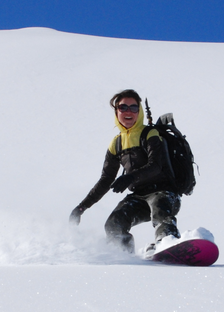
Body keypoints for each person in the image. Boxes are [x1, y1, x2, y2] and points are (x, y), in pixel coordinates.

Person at [69, 89, 181, 254]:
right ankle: (123, 257)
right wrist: (81, 208)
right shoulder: (117, 144)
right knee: (114, 223)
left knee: (160, 212)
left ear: (139, 111)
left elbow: (156, 165)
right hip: (139, 197)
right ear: (116, 111)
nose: (128, 112)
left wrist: (130, 177)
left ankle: (169, 244)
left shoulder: (150, 134)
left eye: (133, 108)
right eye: (123, 108)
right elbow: (106, 180)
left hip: (165, 193)